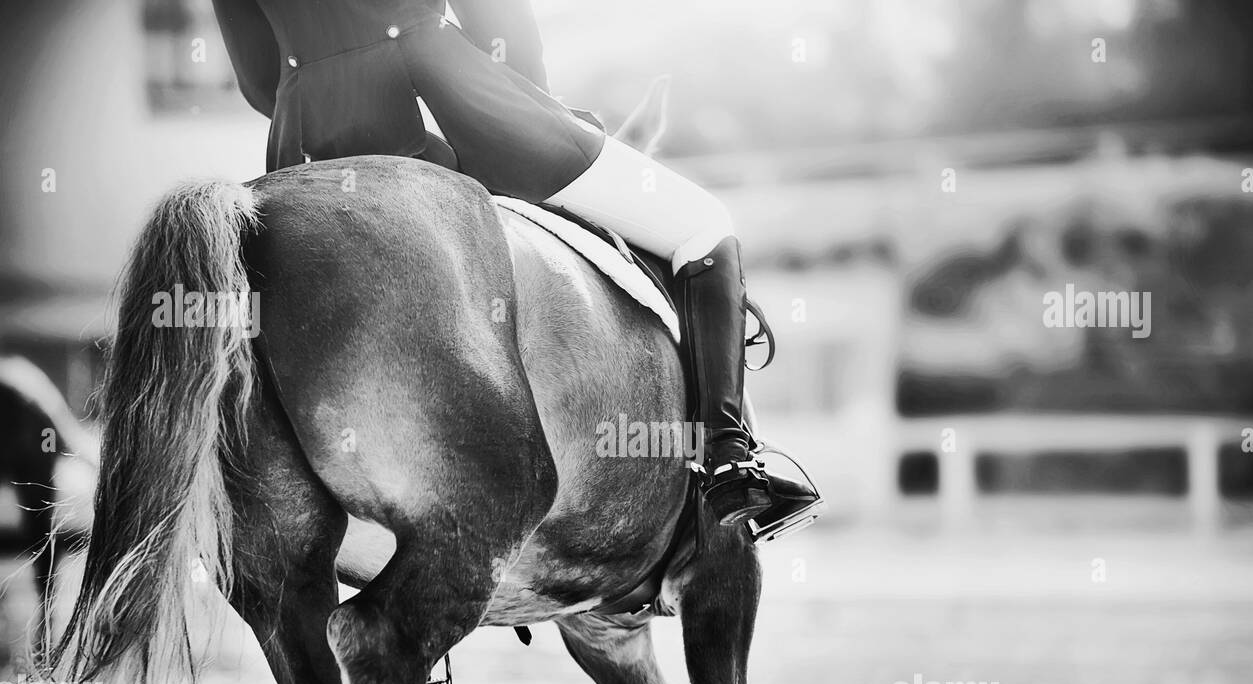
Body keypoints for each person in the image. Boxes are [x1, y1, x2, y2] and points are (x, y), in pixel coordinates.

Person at [213, 0, 820, 533]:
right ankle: (727, 456)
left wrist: (320, 86)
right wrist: (530, 107)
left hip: (306, 142)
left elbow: (258, 77)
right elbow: (502, 22)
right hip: (450, 96)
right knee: (700, 222)